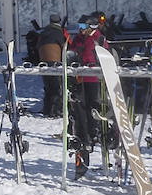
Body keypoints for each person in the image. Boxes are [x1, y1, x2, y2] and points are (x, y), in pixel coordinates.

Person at [68, 16, 108, 178]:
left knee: (94, 105)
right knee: (81, 107)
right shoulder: (78, 38)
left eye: (84, 25)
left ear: (92, 26)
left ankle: (95, 131)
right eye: (80, 25)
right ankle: (85, 135)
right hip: (80, 77)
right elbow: (72, 51)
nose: (81, 28)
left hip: (94, 77)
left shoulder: (99, 38)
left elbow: (105, 55)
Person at [36, 13, 67, 118]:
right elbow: (65, 47)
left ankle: (47, 109)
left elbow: (37, 46)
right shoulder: (59, 33)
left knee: (48, 87)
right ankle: (56, 111)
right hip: (55, 62)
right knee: (57, 88)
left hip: (43, 63)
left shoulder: (43, 33)